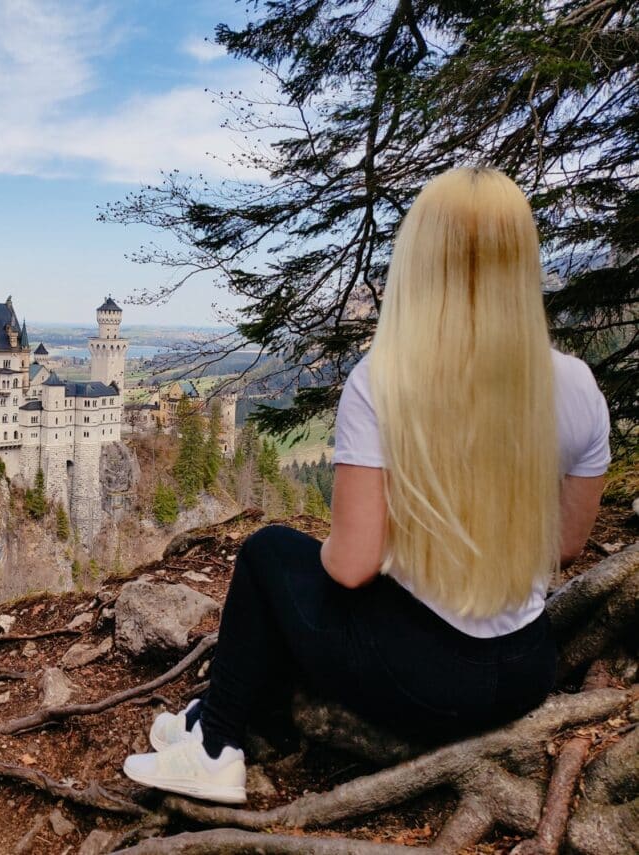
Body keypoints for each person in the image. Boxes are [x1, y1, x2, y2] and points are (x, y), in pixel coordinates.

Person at [122, 167, 611, 804]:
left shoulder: (388, 381)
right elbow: (567, 546)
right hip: (525, 670)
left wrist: (373, 546)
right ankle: (206, 716)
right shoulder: (575, 385)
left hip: (427, 682)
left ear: (419, 260)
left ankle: (216, 748)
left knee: (270, 553)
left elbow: (350, 567)